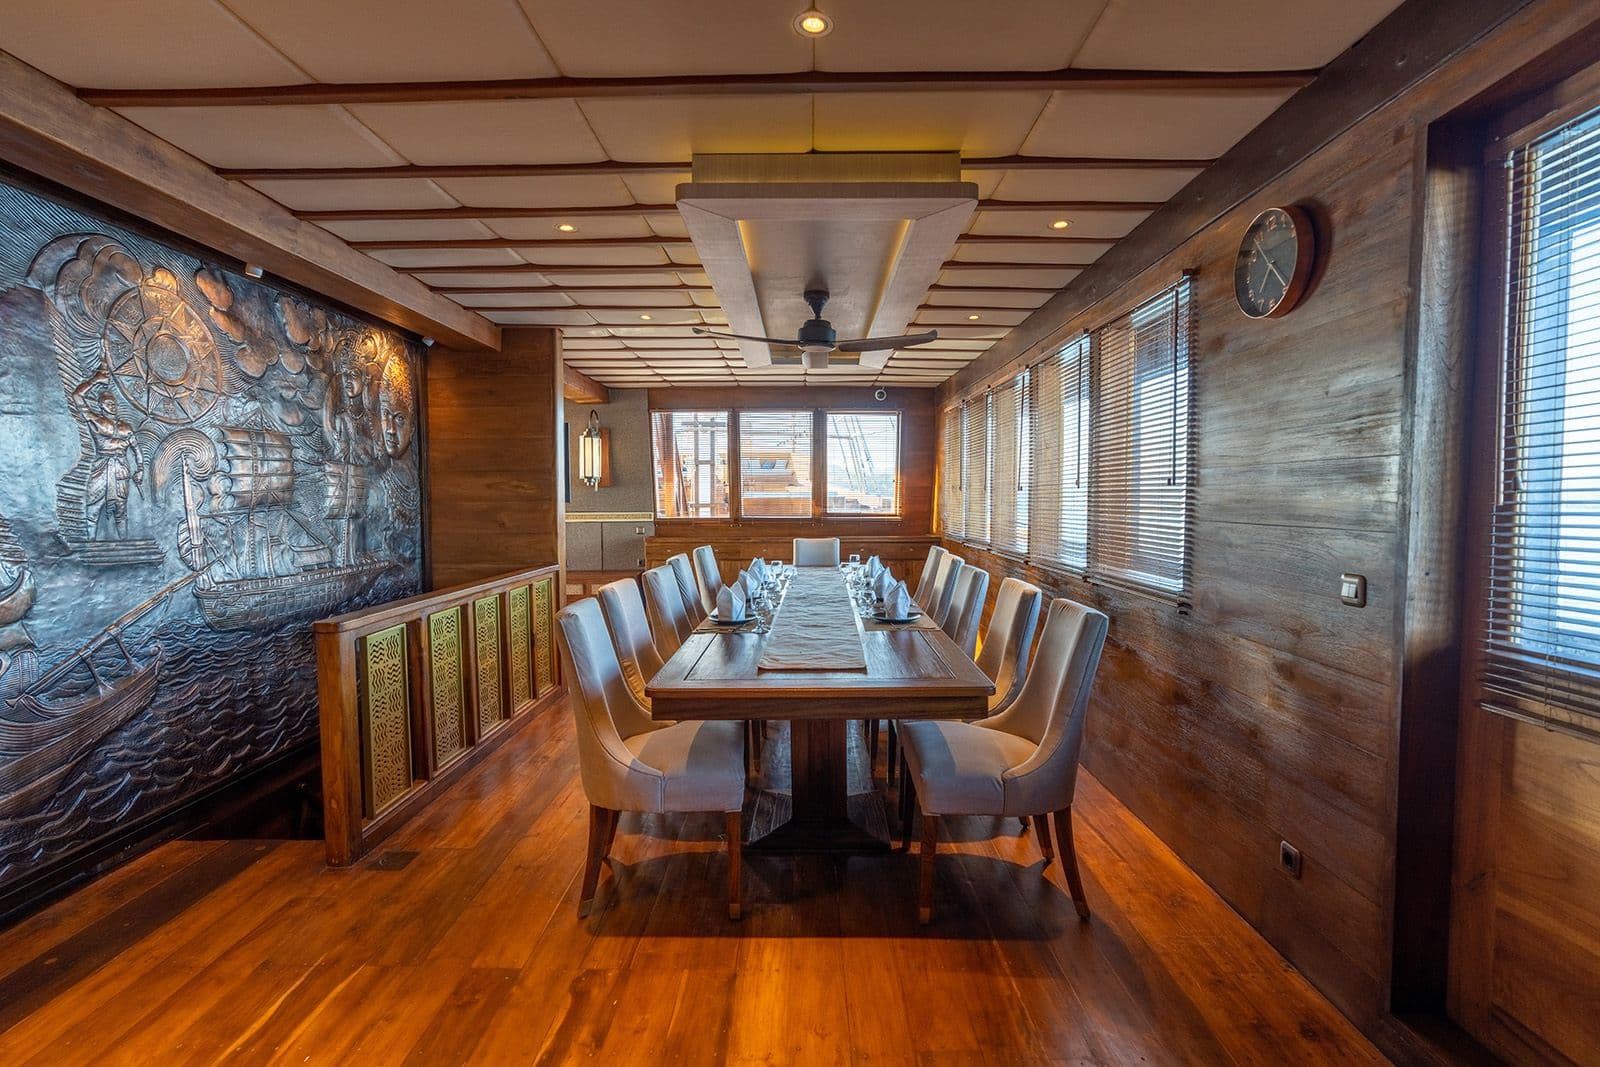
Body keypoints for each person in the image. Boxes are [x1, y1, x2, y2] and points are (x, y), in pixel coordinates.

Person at [71, 369, 142, 540]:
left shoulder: (126, 427)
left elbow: (136, 450)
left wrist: (140, 469)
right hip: (101, 468)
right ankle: (90, 545)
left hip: (121, 470)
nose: (113, 406)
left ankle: (125, 546)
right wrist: (94, 380)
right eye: (109, 403)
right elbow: (77, 396)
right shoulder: (97, 421)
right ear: (101, 405)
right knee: (93, 506)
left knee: (121, 509)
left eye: (114, 403)